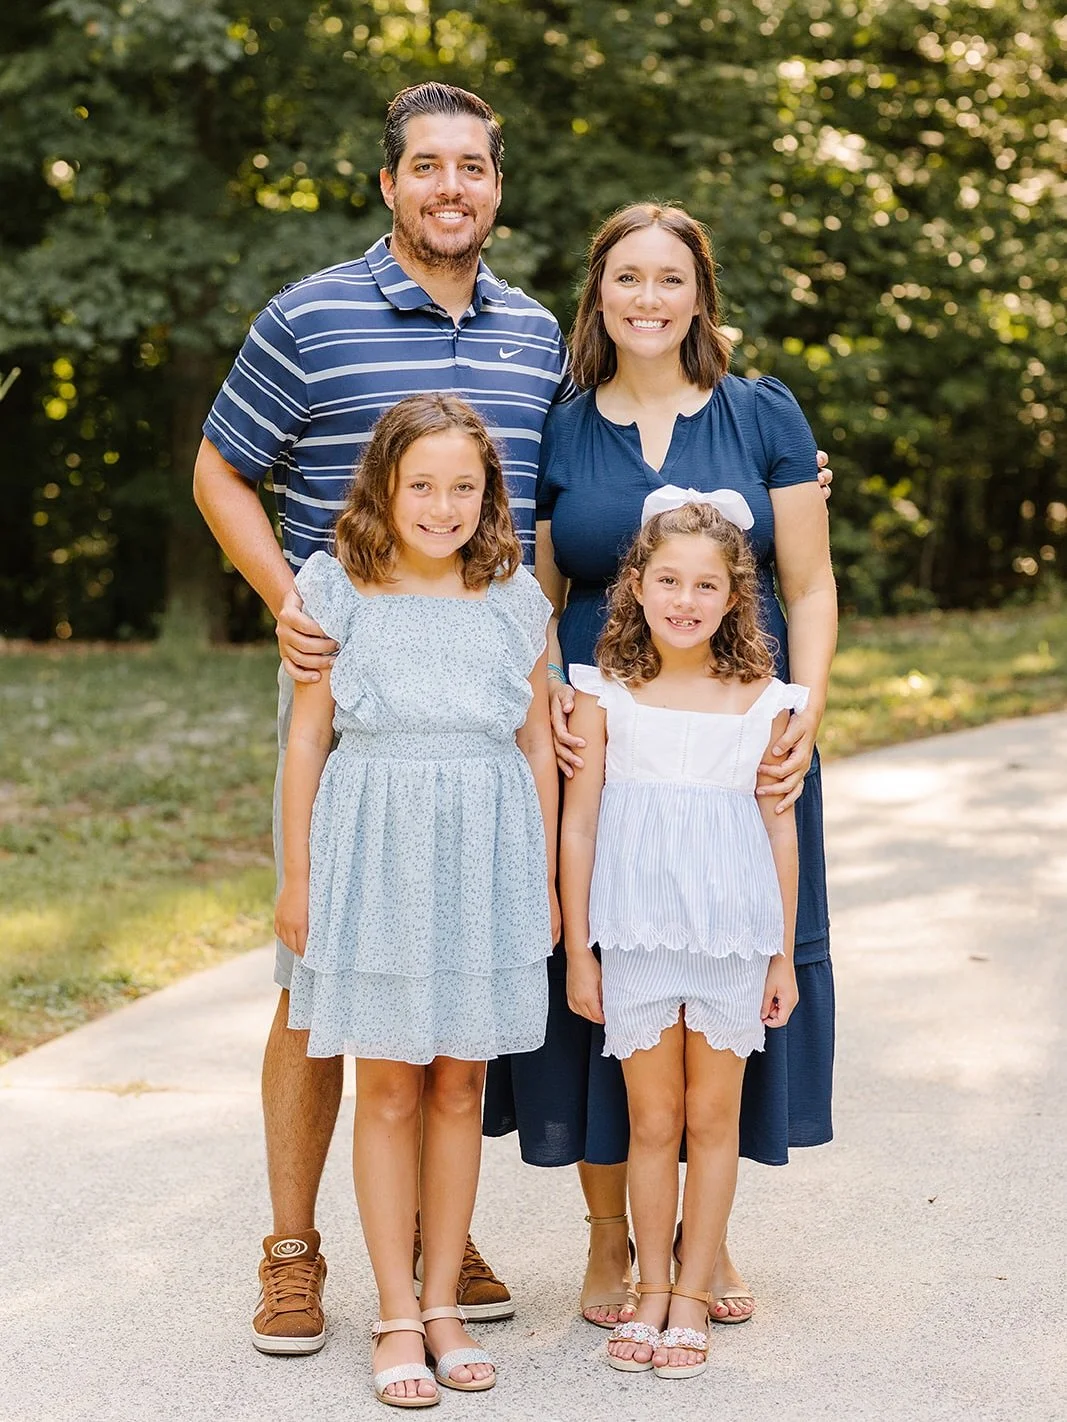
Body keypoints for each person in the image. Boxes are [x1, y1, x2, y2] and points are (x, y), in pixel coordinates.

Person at [193, 82, 574, 1351]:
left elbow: (572, 488)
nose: (450, 187)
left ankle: (426, 1234)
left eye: (472, 167)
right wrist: (285, 606)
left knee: (455, 966)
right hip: (351, 687)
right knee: (323, 983)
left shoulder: (532, 334)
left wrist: (773, 471)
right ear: (388, 184)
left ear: (497, 189)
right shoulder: (311, 316)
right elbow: (218, 467)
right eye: (427, 167)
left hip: (480, 686)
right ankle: (295, 1248)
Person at [482, 202, 837, 1328]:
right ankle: (608, 1241)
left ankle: (703, 1245)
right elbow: (535, 590)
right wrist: (547, 703)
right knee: (605, 981)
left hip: (738, 734)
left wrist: (807, 717)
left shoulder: (761, 411)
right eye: (625, 278)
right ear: (598, 294)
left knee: (726, 975)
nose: (646, 298)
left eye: (668, 278)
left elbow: (811, 583)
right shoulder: (558, 423)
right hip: (599, 733)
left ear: (698, 294)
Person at [274, 393, 558, 1406]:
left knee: (459, 1087)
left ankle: (443, 1302)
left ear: (489, 498)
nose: (441, 506)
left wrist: (550, 882)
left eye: (463, 487)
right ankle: (394, 1311)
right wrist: (298, 877)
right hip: (373, 852)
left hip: (484, 855)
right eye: (421, 485)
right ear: (384, 488)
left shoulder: (514, 595)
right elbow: (307, 739)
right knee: (388, 1085)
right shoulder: (334, 587)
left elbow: (537, 746)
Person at [562, 489, 804, 1379]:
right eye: (667, 579)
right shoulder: (602, 694)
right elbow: (579, 825)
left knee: (712, 1118)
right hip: (633, 934)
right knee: (651, 1119)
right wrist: (582, 948)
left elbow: (779, 829)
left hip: (732, 938)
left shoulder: (764, 702)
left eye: (706, 585)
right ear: (633, 584)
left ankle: (695, 1294)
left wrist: (779, 952)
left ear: (735, 597)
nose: (685, 600)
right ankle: (650, 1287)